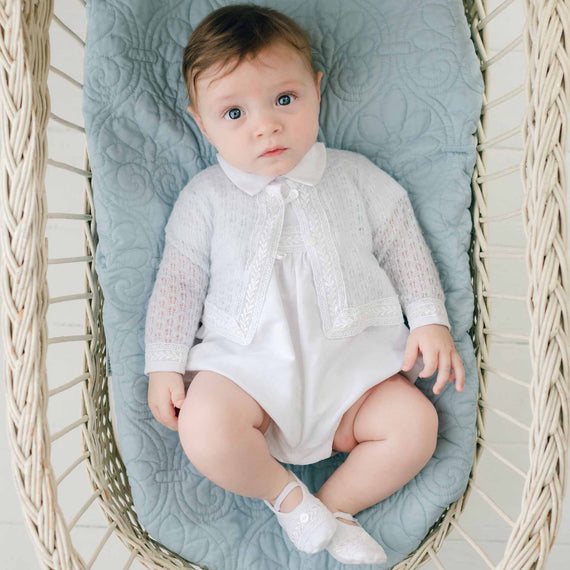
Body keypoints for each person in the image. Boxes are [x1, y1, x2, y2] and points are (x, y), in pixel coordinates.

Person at [144, 4, 465, 565]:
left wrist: (430, 318)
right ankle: (286, 498)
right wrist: (164, 363)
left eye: (284, 101)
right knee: (204, 425)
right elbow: (178, 284)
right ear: (201, 122)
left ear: (317, 90)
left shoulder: (358, 177)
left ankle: (330, 511)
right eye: (234, 113)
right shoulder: (204, 198)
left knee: (415, 425)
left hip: (353, 375)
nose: (265, 125)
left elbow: (403, 248)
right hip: (247, 375)